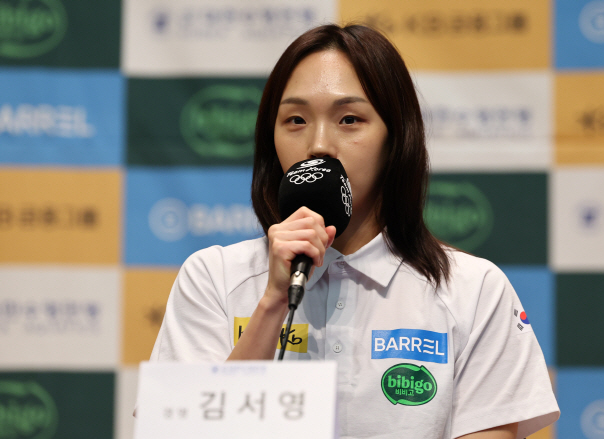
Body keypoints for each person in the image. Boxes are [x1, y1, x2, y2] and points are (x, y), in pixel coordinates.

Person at [150, 24, 559, 439]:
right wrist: (273, 302)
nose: (319, 145)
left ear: (395, 139)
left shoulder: (473, 289)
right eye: (295, 120)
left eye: (349, 119)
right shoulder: (213, 278)